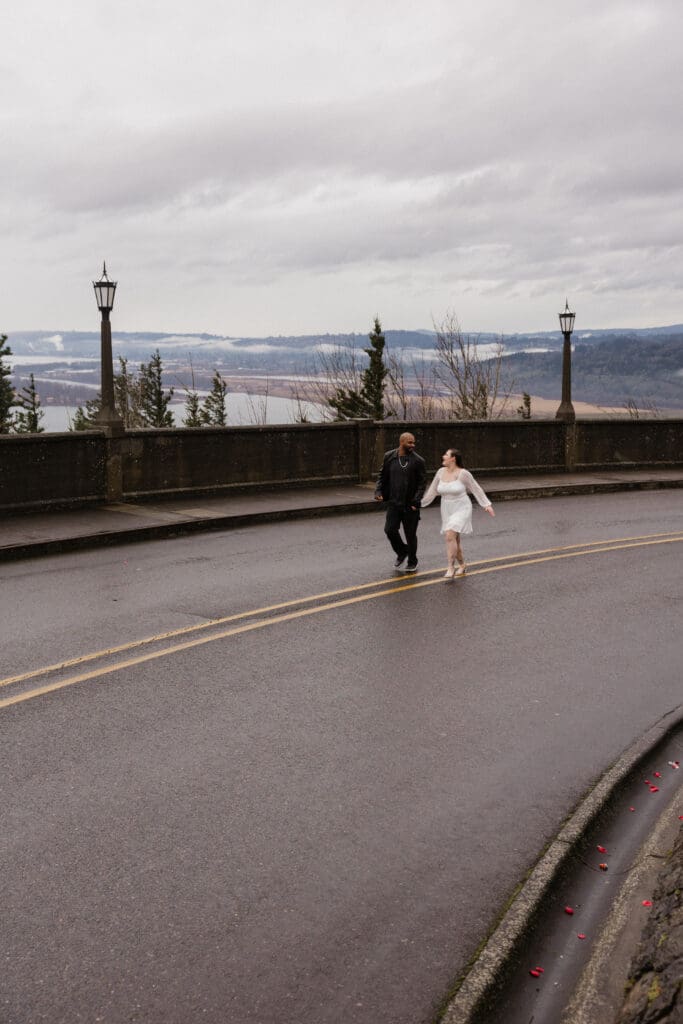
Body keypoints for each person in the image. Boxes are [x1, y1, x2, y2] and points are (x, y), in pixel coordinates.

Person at [420, 448, 495, 578]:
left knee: (449, 535)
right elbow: (432, 491)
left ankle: (450, 567)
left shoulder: (463, 473)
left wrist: (486, 504)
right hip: (446, 508)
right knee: (455, 540)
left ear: (453, 458)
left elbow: (475, 488)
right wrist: (418, 504)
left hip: (462, 507)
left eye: (446, 455)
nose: (443, 457)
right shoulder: (440, 472)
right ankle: (462, 565)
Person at [374, 432, 426, 573]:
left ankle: (412, 561)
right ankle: (402, 551)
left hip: (410, 505)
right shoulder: (389, 457)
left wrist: (416, 501)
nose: (412, 445)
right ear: (401, 442)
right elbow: (382, 476)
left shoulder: (418, 461)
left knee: (410, 534)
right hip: (394, 503)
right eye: (409, 442)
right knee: (389, 530)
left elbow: (422, 483)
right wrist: (378, 492)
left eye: (413, 442)